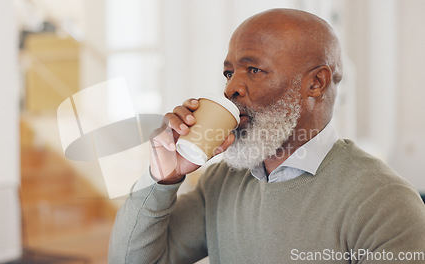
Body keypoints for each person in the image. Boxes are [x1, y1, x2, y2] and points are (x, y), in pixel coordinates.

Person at [109, 8, 425, 263]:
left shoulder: (384, 201)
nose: (230, 88)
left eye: (254, 70)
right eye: (229, 72)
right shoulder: (220, 183)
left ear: (316, 83)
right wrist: (162, 177)